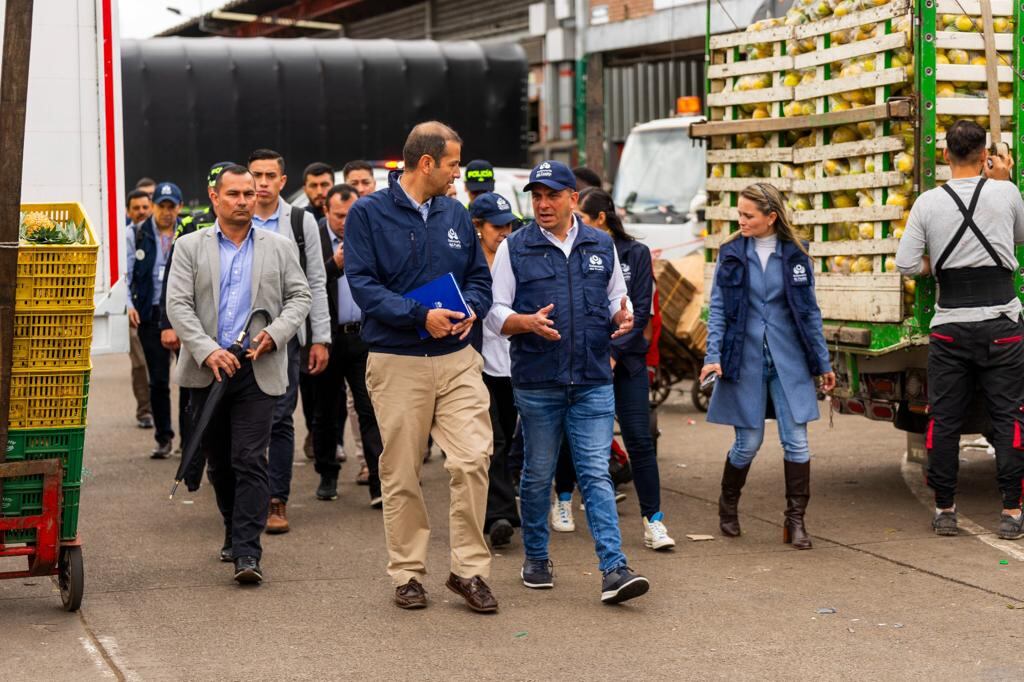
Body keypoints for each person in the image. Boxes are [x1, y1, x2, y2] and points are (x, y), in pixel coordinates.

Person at [346, 121, 497, 613]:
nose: (460, 172)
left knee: (473, 459)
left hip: (457, 359)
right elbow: (363, 285)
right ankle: (408, 573)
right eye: (453, 163)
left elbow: (478, 277)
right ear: (427, 163)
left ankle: (469, 571)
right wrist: (419, 316)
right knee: (402, 471)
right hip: (397, 361)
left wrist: (472, 305)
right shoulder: (368, 213)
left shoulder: (457, 213)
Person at [489, 159, 650, 605]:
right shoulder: (514, 248)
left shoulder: (600, 243)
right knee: (538, 474)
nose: (542, 204)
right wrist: (523, 322)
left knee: (596, 473)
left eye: (552, 195)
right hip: (538, 380)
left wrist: (622, 313)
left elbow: (617, 293)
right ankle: (537, 557)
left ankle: (614, 569)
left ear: (572, 199)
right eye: (536, 196)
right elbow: (495, 310)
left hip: (594, 377)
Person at [166, 165, 312, 585]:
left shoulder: (279, 246)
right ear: (215, 197)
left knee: (249, 457)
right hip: (207, 369)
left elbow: (299, 296)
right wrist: (208, 350)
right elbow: (179, 305)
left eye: (249, 193)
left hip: (257, 366)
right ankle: (232, 528)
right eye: (234, 194)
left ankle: (248, 551)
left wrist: (275, 333)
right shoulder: (190, 246)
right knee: (219, 461)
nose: (244, 200)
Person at [894, 119, 1024, 539]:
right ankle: (1011, 512)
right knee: (1008, 418)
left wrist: (937, 264)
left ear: (946, 156)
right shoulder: (1007, 192)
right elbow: (1019, 238)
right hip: (1002, 323)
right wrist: (1004, 181)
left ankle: (945, 509)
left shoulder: (928, 203)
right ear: (985, 155)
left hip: (950, 326)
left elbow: (906, 263)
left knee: (945, 420)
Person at [700, 182, 834, 550]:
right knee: (748, 443)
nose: (741, 220)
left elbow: (809, 313)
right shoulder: (730, 254)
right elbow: (718, 314)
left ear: (770, 217)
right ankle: (728, 505)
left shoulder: (796, 255)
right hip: (743, 361)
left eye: (748, 215)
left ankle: (796, 522)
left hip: (788, 360)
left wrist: (822, 361)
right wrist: (713, 357)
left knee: (797, 441)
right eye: (739, 214)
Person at [574, 187, 674, 551]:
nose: (576, 223)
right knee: (587, 446)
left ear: (601, 218)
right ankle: (568, 506)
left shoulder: (637, 253)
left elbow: (641, 309)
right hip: (584, 361)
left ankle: (655, 521)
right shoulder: (577, 248)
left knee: (640, 442)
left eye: (582, 217)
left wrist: (614, 354)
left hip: (626, 361)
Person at [248, 148, 331, 534]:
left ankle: (276, 499)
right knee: (245, 422)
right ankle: (244, 496)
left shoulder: (301, 222)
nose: (262, 183)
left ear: (283, 181)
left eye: (270, 176)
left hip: (288, 338)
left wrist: (321, 338)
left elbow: (316, 281)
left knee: (281, 418)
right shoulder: (236, 215)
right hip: (240, 340)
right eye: (256, 176)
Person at [310, 183, 385, 506]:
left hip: (363, 335)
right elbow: (303, 281)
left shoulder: (369, 233)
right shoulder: (313, 237)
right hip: (328, 336)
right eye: (339, 215)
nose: (345, 221)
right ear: (326, 212)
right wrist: (334, 265)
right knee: (326, 411)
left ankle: (378, 484)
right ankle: (328, 474)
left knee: (370, 410)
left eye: (350, 214)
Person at [472, 192, 522, 548]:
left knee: (510, 436)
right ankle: (500, 516)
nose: (504, 232)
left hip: (514, 363)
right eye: (496, 226)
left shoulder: (516, 256)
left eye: (508, 225)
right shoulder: (467, 262)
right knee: (494, 440)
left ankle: (499, 507)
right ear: (478, 227)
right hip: (476, 364)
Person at [126, 182, 185, 459]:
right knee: (159, 382)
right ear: (153, 207)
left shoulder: (188, 234)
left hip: (185, 316)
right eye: (161, 206)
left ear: (179, 208)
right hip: (151, 316)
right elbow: (125, 273)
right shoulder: (137, 234)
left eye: (171, 206)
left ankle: (190, 439)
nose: (166, 212)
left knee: (190, 381)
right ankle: (164, 438)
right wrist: (128, 305)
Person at [125, 189, 154, 430]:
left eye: (145, 207)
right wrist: (128, 306)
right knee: (140, 363)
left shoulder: (167, 234)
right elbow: (123, 276)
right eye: (136, 208)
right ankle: (144, 410)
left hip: (161, 311)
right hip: (135, 311)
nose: (141, 212)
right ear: (128, 212)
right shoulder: (128, 236)